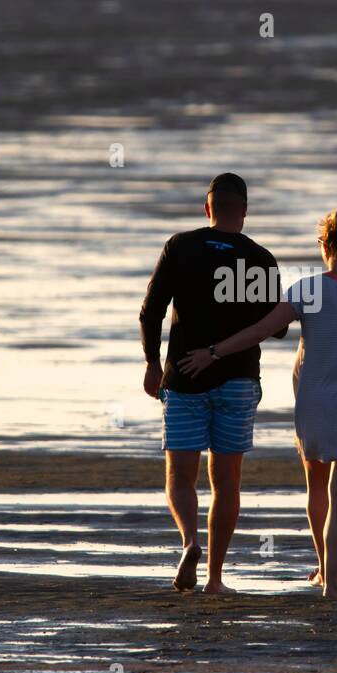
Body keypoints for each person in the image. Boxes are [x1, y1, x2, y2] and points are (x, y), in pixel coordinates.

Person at [179, 210, 337, 598]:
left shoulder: (306, 289)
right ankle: (331, 582)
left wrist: (213, 351)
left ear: (323, 246)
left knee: (316, 489)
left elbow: (262, 331)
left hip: (315, 404)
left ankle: (321, 565)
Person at [139, 172, 287, 593]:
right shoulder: (258, 258)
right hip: (237, 381)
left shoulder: (181, 246)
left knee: (180, 475)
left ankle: (189, 541)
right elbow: (275, 328)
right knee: (226, 482)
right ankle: (215, 579)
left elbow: (150, 311)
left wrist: (152, 363)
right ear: (243, 210)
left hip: (183, 376)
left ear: (207, 209)